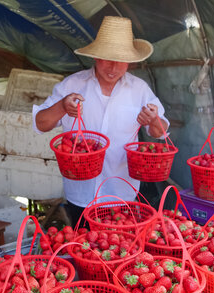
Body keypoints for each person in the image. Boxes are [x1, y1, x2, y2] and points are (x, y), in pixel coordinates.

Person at [32, 16, 169, 227]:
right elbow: (40, 123)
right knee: (84, 249)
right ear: (95, 57)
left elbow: (161, 131)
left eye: (121, 60)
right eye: (107, 59)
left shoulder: (139, 89)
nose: (113, 67)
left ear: (130, 62)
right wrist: (62, 106)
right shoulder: (73, 85)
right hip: (81, 194)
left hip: (122, 192)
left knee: (119, 250)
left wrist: (153, 120)